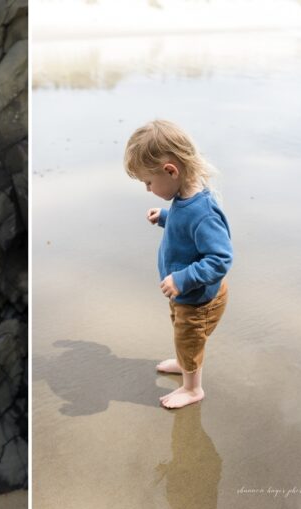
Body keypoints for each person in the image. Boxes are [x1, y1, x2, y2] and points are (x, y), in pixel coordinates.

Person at [123, 119, 233, 409]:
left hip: (198, 299)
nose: (147, 189)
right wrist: (164, 217)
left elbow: (220, 259)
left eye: (148, 182)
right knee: (181, 331)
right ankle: (185, 365)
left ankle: (192, 388)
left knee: (189, 339)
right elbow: (185, 231)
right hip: (184, 294)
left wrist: (182, 279)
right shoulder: (184, 199)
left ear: (171, 170)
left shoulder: (204, 212)